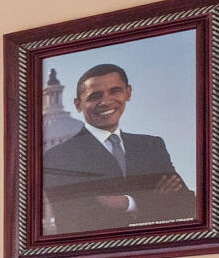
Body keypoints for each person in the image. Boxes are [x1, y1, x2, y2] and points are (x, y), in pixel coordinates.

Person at [42, 61, 195, 230]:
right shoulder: (57, 157)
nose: (106, 102)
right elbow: (76, 222)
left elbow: (187, 205)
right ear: (78, 104)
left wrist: (127, 203)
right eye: (95, 96)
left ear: (128, 93)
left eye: (115, 91)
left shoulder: (151, 146)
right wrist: (155, 200)